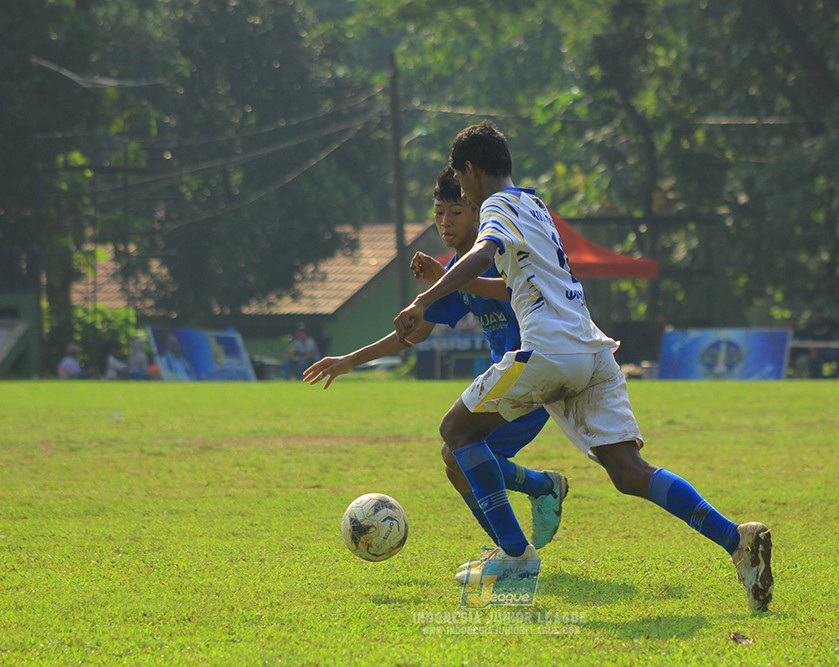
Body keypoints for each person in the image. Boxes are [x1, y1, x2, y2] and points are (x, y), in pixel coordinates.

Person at [393, 121, 773, 612]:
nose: (460, 190)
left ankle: (515, 556)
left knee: (456, 432)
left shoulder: (496, 205)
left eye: (460, 179)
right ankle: (736, 540)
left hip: (549, 350)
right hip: (591, 350)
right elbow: (517, 278)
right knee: (629, 472)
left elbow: (484, 254)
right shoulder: (534, 205)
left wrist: (425, 297)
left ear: (470, 169)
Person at [303, 166, 568, 556]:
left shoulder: (496, 252)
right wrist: (348, 361)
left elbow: (521, 290)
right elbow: (416, 333)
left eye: (455, 212)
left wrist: (444, 276)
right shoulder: (457, 267)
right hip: (505, 376)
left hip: (535, 371)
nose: (445, 221)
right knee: (456, 459)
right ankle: (514, 537)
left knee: (461, 452)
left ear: (477, 211)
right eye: (439, 212)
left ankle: (528, 519)